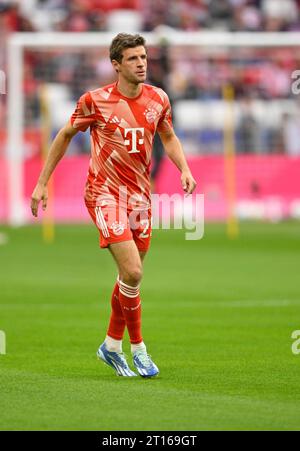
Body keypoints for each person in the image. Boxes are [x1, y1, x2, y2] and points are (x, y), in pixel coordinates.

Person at [31, 33, 197, 378]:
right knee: (134, 271)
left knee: (127, 277)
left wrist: (184, 168)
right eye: (133, 58)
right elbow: (64, 135)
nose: (141, 63)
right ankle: (139, 349)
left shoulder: (158, 99)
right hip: (104, 195)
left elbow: (167, 135)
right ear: (116, 65)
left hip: (140, 198)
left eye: (144, 57)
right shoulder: (95, 101)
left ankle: (110, 346)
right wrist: (42, 181)